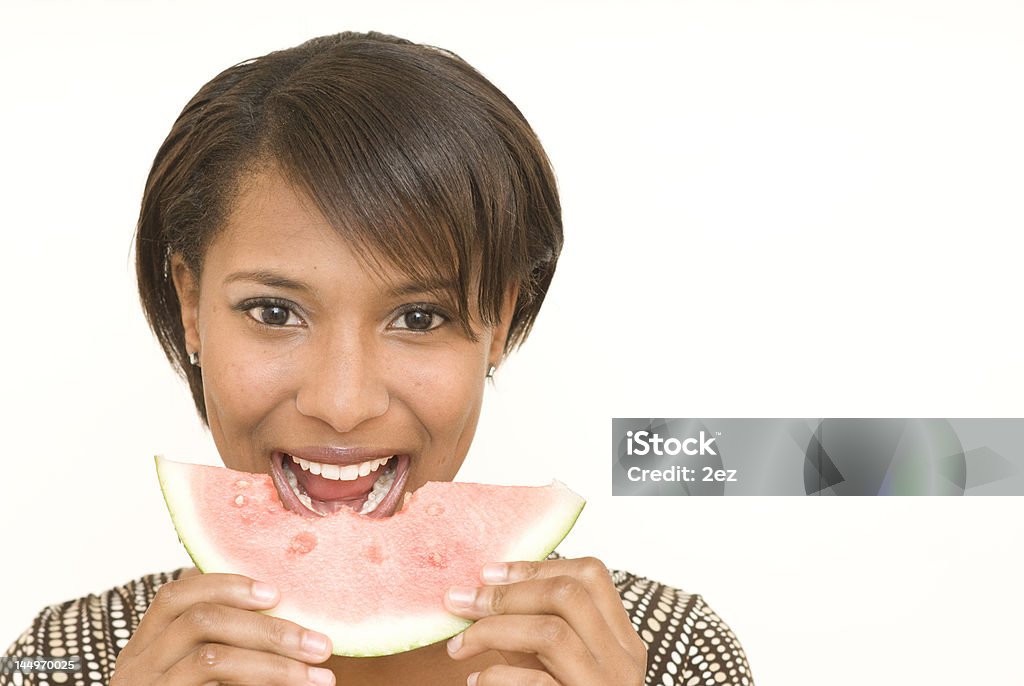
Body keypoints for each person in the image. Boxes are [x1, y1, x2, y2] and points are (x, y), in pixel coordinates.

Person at [2, 31, 753, 686]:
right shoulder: (70, 660)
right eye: (273, 312)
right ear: (191, 304)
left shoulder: (668, 656)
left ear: (501, 323)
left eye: (419, 317)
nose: (342, 400)